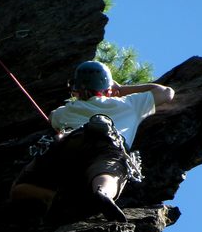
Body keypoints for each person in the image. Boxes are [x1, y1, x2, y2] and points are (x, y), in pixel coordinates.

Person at [10, 60, 175, 222]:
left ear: (76, 88)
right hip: (108, 143)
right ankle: (102, 192)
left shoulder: (66, 111)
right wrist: (121, 89)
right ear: (108, 87)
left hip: (70, 144)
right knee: (110, 168)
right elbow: (166, 93)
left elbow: (53, 118)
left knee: (20, 186)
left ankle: (53, 196)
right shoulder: (129, 104)